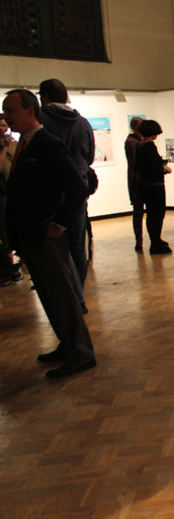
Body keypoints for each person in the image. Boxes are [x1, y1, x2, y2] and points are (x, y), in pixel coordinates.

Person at [2, 89, 96, 378]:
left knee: (62, 295)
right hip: (31, 234)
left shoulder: (48, 144)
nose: (6, 116)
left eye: (10, 110)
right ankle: (67, 345)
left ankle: (81, 352)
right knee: (49, 294)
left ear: (30, 110)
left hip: (47, 235)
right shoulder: (25, 144)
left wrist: (60, 224)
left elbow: (77, 187)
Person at [38, 78, 94, 312]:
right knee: (78, 246)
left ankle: (71, 298)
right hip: (78, 190)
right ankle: (78, 296)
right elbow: (90, 157)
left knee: (56, 246)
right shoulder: (82, 123)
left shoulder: (42, 120)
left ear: (45, 97)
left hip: (51, 191)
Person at [134, 120, 172, 255]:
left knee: (152, 214)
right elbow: (154, 168)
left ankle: (155, 240)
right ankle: (155, 243)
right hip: (155, 186)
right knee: (157, 214)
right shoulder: (149, 147)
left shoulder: (139, 146)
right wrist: (164, 168)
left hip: (145, 185)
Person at [0, 115, 22, 286]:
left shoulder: (14, 143)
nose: (4, 128)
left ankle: (11, 268)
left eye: (5, 125)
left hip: (11, 190)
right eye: (1, 125)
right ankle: (10, 266)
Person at [124, 116, 145, 252]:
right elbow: (138, 159)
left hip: (141, 179)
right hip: (136, 180)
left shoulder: (137, 141)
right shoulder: (132, 142)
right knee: (138, 211)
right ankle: (139, 240)